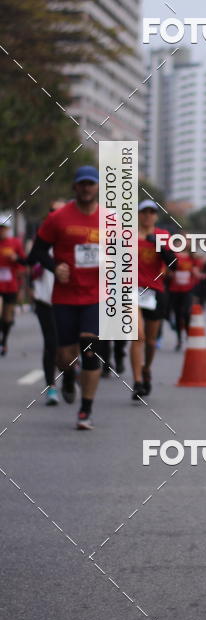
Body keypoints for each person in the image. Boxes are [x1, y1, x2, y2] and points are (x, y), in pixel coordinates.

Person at [29, 167, 101, 429]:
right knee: (64, 356)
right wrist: (54, 267)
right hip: (65, 296)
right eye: (82, 184)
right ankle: (69, 376)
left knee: (90, 349)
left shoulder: (111, 220)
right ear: (75, 187)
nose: (86, 188)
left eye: (91, 184)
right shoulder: (58, 218)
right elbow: (37, 251)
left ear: (97, 188)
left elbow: (124, 257)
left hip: (96, 296)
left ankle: (86, 410)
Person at [131, 200, 173, 400]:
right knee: (138, 336)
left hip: (154, 291)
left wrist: (154, 241)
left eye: (151, 212)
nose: (147, 215)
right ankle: (137, 381)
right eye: (144, 212)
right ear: (138, 214)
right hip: (131, 290)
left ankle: (146, 368)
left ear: (156, 216)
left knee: (151, 341)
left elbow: (173, 263)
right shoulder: (127, 235)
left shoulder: (163, 236)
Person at [26, 199, 66, 404]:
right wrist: (30, 287)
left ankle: (68, 374)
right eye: (52, 211)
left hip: (70, 301)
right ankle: (51, 387)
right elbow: (29, 262)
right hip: (45, 300)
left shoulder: (75, 239)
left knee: (68, 347)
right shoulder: (41, 240)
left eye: (60, 212)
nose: (56, 215)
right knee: (51, 343)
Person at [0, 217, 25, 355]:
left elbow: (23, 263)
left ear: (8, 229)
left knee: (7, 317)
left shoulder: (15, 243)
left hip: (11, 285)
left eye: (4, 228)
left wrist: (16, 259)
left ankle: (4, 342)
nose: (1, 231)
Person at [170, 238, 199, 351]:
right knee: (177, 314)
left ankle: (188, 334)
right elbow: (167, 270)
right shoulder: (173, 256)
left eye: (185, 241)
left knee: (186, 312)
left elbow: (196, 271)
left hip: (188, 289)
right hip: (175, 289)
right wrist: (170, 274)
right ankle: (179, 339)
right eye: (179, 241)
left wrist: (196, 273)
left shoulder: (192, 257)